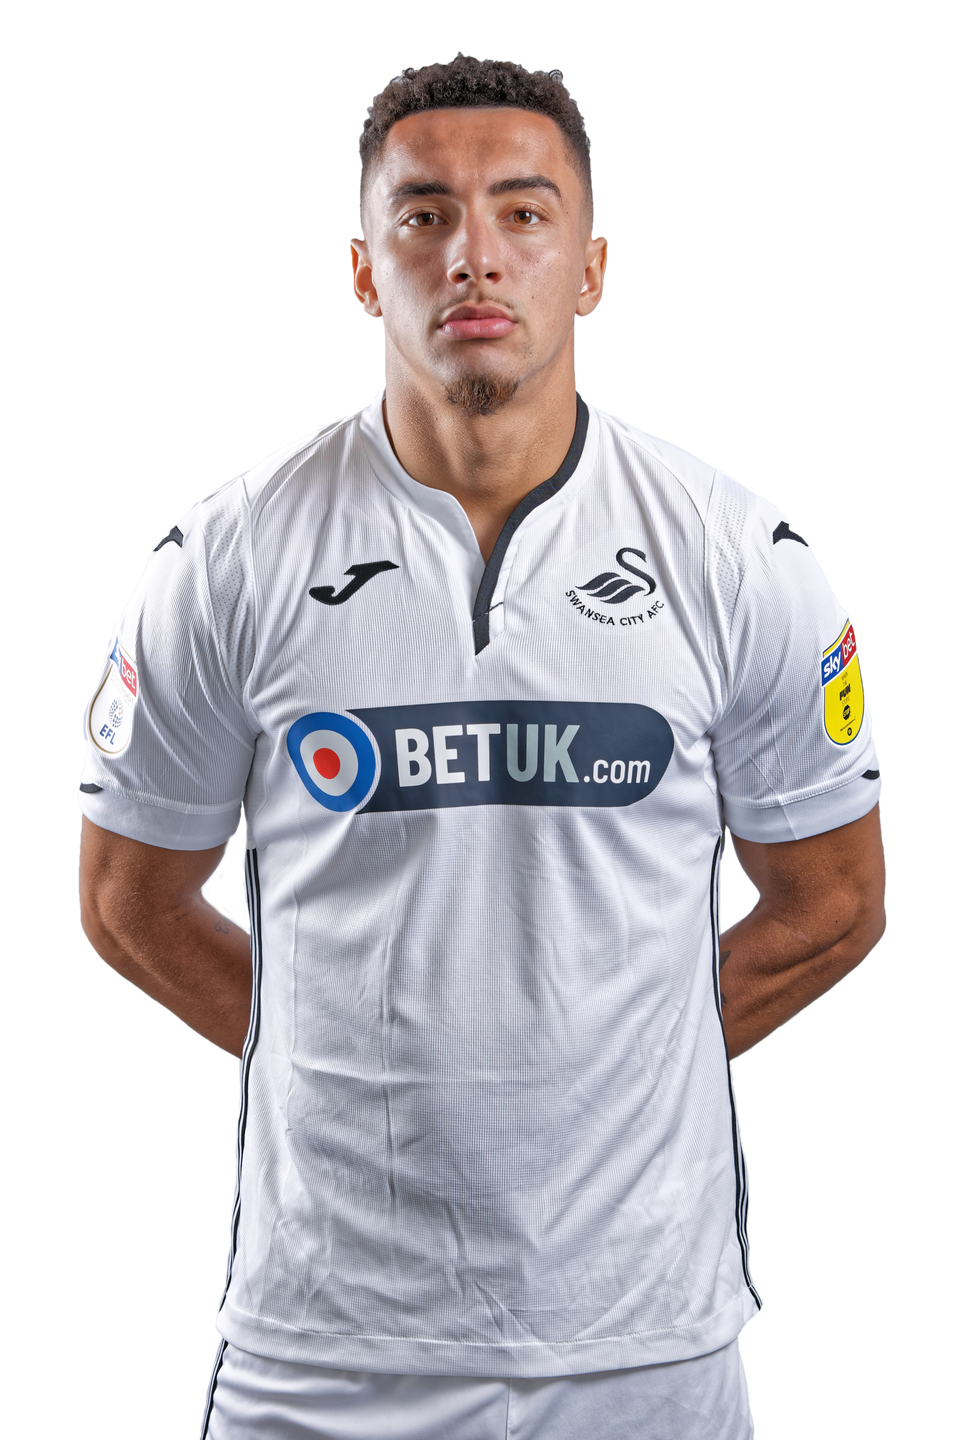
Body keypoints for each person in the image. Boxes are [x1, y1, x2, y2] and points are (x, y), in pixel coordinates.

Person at [75, 49, 888, 1440]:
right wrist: (351, 1076)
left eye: (524, 212)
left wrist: (606, 1080)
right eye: (424, 215)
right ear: (361, 270)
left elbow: (836, 903)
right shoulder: (224, 557)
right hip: (321, 1351)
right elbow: (123, 899)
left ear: (593, 268)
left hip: (645, 1347)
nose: (474, 256)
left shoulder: (738, 554)